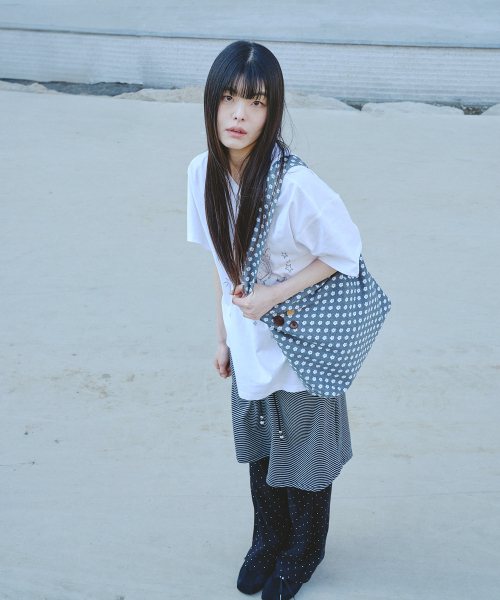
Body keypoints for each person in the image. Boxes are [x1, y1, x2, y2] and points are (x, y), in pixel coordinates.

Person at [187, 40, 362, 600]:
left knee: (306, 450)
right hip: (248, 339)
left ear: (273, 110)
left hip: (304, 341)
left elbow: (346, 254)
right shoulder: (202, 173)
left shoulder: (297, 187)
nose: (239, 114)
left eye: (256, 102)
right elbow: (221, 261)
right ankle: (267, 540)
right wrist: (222, 336)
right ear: (212, 101)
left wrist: (273, 296)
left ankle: (304, 550)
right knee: (260, 442)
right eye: (229, 98)